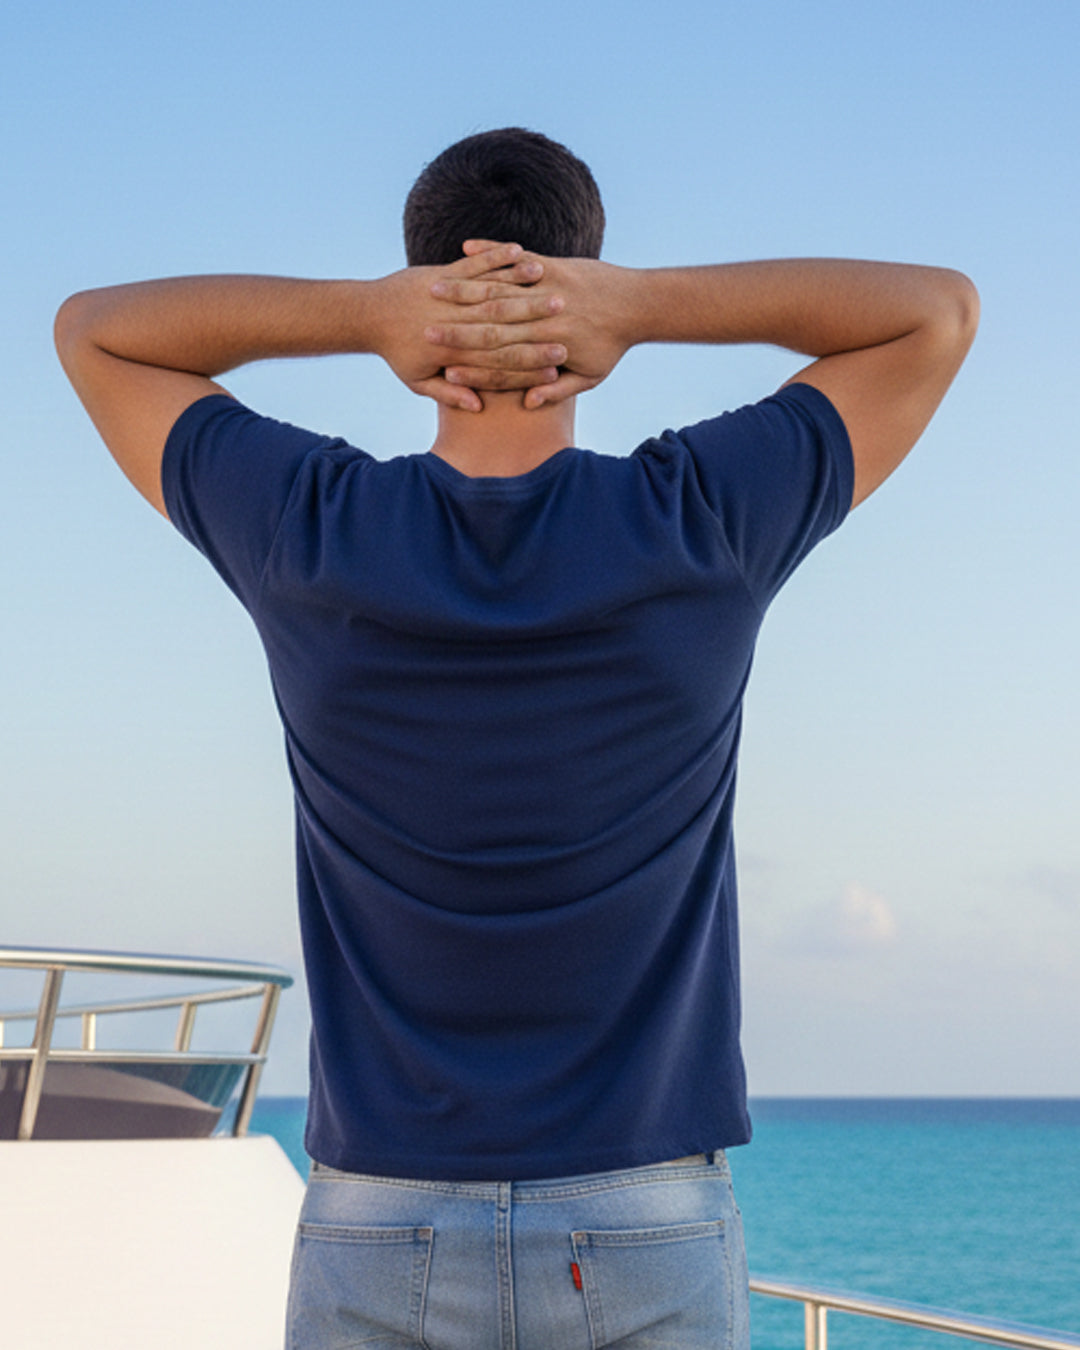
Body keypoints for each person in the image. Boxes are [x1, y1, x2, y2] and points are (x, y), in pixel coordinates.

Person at [55, 128, 977, 1350]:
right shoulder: (698, 520)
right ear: (582, 299)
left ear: (419, 291)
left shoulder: (310, 529)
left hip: (380, 1214)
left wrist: (371, 318)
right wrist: (641, 307)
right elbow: (934, 315)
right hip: (645, 1208)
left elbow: (94, 330)